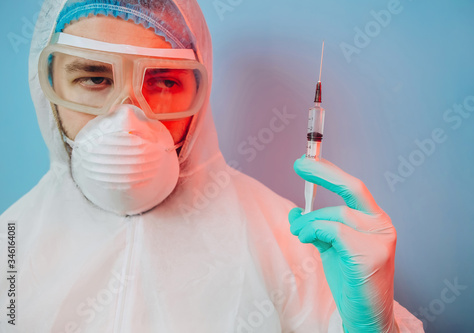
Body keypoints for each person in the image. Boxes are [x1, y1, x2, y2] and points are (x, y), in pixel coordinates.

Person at [0, 0, 424, 332]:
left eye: (164, 81)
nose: (126, 118)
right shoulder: (12, 244)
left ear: (199, 94)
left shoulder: (292, 241)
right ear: (48, 88)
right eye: (95, 79)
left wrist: (373, 329)